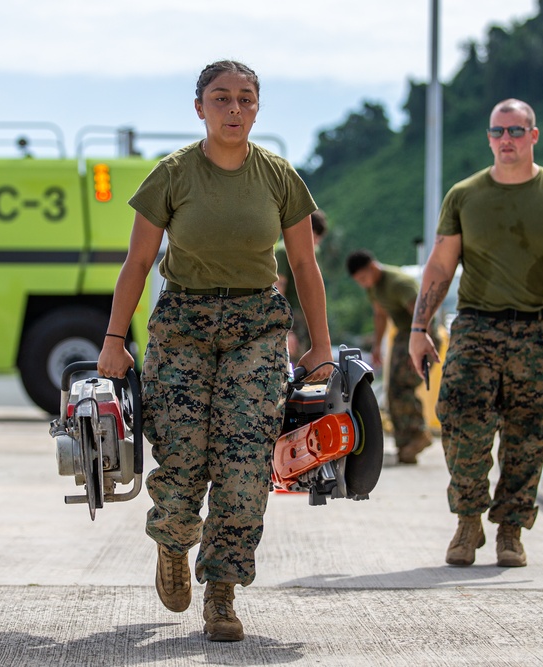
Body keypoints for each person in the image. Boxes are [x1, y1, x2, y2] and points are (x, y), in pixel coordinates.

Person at [96, 60, 332, 643]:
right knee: (181, 456)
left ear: (257, 107)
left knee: (245, 464)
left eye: (245, 98)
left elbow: (303, 264)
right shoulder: (173, 175)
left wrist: (321, 346)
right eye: (221, 98)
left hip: (256, 326)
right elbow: (139, 263)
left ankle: (222, 590)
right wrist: (113, 340)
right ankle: (174, 543)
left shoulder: (279, 177)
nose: (234, 108)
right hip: (184, 326)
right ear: (199, 107)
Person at [408, 98, 543, 569]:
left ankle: (510, 531)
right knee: (460, 426)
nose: (507, 140)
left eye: (516, 131)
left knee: (529, 437)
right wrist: (419, 328)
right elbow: (441, 264)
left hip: (537, 333)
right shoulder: (464, 195)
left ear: (533, 136)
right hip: (476, 330)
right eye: (498, 132)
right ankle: (467, 521)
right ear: (489, 137)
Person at [346, 249, 437, 464]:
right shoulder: (374, 288)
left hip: (420, 335)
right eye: (358, 281)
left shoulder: (397, 283)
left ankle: (418, 434)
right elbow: (380, 315)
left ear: (373, 267)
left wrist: (420, 345)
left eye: (363, 278)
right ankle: (406, 444)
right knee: (393, 389)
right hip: (403, 337)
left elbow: (423, 313)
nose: (362, 284)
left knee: (402, 386)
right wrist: (377, 346)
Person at [275, 209, 328, 359]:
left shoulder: (314, 252)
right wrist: (287, 330)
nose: (316, 241)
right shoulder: (283, 251)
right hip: (293, 318)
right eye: (314, 235)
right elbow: (278, 291)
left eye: (319, 238)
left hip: (309, 317)